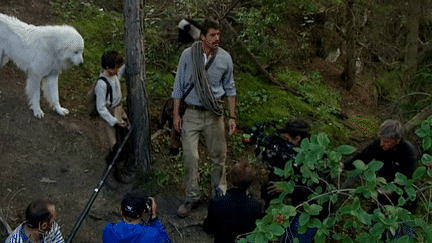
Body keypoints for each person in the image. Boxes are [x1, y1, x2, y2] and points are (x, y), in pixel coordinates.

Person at [171, 18, 237, 217]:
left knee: (219, 157)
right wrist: (176, 115)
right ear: (202, 37)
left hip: (214, 114)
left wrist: (232, 116)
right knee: (191, 157)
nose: (216, 38)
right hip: (190, 112)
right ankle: (192, 197)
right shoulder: (187, 55)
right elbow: (178, 86)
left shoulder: (225, 58)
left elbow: (230, 88)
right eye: (212, 35)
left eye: (218, 34)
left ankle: (219, 194)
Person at [342, 119, 418, 241]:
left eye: (387, 141)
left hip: (403, 204)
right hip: (380, 201)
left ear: (398, 140)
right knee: (375, 234)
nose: (383, 144)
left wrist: (383, 191)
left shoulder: (408, 153)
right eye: (382, 140)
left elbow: (406, 181)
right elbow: (362, 157)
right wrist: (344, 166)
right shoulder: (378, 145)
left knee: (401, 237)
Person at [203, 162, 262, 243]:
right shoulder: (256, 206)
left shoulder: (217, 203)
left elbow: (208, 229)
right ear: (251, 183)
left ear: (230, 179)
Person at [103, 191, 171, 243]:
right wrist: (154, 219)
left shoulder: (108, 230)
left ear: (120, 211)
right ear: (143, 213)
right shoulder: (153, 235)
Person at [96, 50, 129, 151]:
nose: (118, 70)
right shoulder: (101, 84)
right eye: (116, 67)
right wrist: (114, 121)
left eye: (119, 67)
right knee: (113, 142)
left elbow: (120, 72)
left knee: (125, 133)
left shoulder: (115, 75)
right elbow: (101, 108)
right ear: (107, 68)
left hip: (119, 110)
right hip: (109, 113)